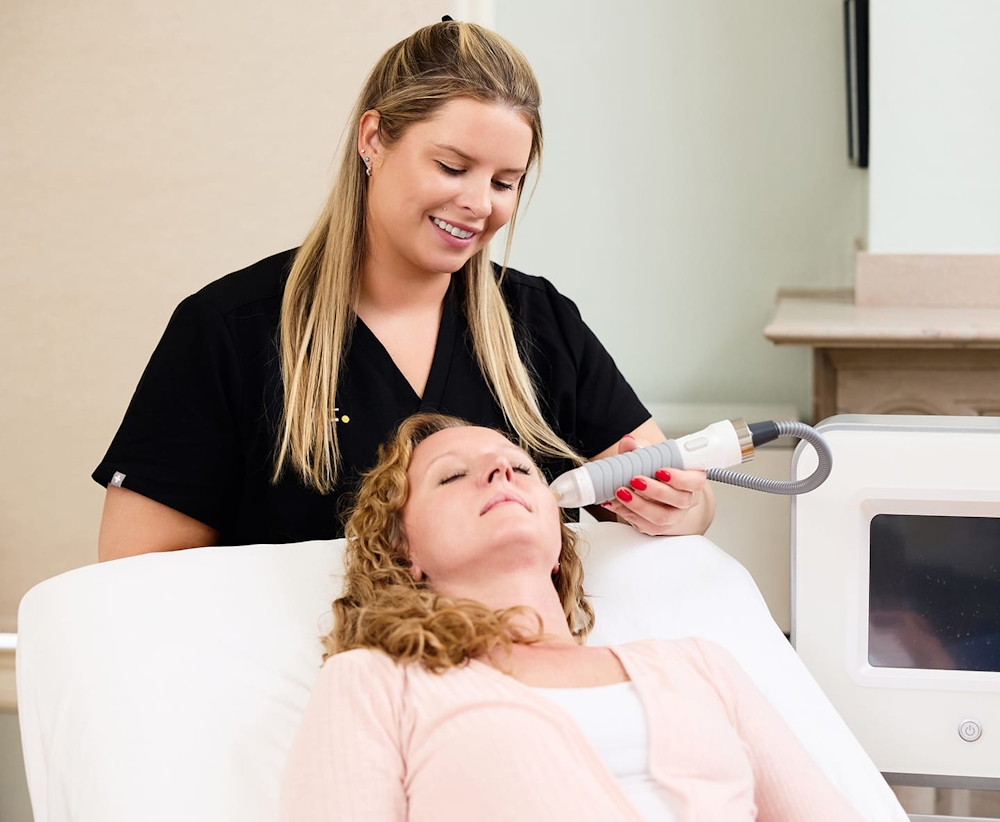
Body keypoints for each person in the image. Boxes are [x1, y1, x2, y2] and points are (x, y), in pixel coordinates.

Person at [93, 19, 714, 561]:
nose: (477, 204)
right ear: (373, 139)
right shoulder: (230, 331)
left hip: (511, 673)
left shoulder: (539, 322)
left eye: (505, 181)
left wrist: (680, 508)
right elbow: (138, 573)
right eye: (451, 167)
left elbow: (674, 490)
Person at [279, 413, 863, 821]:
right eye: (453, 475)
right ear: (404, 553)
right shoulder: (377, 684)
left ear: (560, 535)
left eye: (522, 468)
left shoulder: (699, 667)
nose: (502, 473)